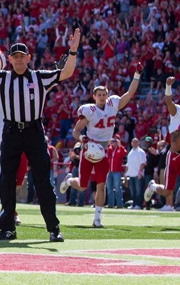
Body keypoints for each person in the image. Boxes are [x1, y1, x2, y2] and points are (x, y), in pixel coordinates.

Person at [0, 29, 82, 242]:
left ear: (28, 58)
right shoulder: (3, 78)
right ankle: (8, 228)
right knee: (6, 181)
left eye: (23, 57)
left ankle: (53, 228)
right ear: (10, 59)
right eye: (16, 57)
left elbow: (65, 73)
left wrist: (73, 51)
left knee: (43, 181)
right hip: (11, 131)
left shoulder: (39, 77)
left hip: (33, 131)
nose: (19, 60)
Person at [60, 64, 142, 227]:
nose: (103, 97)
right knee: (83, 186)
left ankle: (97, 218)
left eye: (104, 94)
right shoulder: (89, 110)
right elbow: (76, 131)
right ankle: (70, 181)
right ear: (94, 96)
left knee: (101, 186)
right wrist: (83, 139)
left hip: (103, 151)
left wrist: (137, 75)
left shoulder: (113, 104)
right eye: (100, 95)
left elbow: (129, 93)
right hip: (89, 148)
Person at [143, 77, 180, 211]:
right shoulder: (177, 111)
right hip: (174, 156)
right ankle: (153, 186)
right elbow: (168, 101)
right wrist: (168, 86)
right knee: (167, 191)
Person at [106, 135, 127, 208]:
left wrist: (120, 145)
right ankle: (110, 204)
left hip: (117, 171)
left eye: (115, 140)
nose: (114, 142)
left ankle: (119, 204)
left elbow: (124, 153)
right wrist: (109, 144)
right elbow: (106, 155)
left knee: (118, 188)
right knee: (109, 188)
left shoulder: (120, 148)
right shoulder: (110, 148)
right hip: (109, 171)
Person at [125, 138, 146, 209]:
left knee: (138, 191)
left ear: (138, 143)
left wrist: (140, 172)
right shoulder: (130, 152)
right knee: (133, 191)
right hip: (131, 174)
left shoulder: (141, 152)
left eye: (135, 142)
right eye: (133, 142)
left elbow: (143, 163)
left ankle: (139, 205)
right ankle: (134, 204)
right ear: (131, 143)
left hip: (138, 174)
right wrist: (126, 175)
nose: (134, 143)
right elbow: (128, 164)